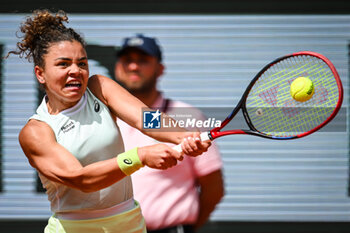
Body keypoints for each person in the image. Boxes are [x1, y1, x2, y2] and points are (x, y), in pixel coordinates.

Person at [7, 10, 211, 233]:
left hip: (129, 224)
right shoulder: (36, 131)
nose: (75, 70)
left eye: (82, 63)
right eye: (63, 64)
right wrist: (139, 156)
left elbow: (145, 118)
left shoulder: (99, 88)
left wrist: (183, 136)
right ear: (40, 73)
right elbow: (80, 178)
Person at [115, 34, 224, 233]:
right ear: (117, 68)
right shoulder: (103, 119)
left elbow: (213, 188)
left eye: (143, 60)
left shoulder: (187, 116)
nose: (133, 67)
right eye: (127, 60)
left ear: (160, 69)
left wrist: (186, 228)